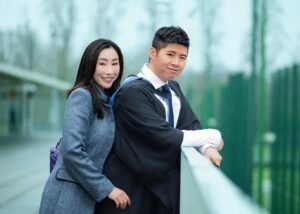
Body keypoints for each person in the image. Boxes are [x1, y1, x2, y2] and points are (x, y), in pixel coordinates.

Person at [95, 26, 224, 214]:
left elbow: (191, 126)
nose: (176, 62)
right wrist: (213, 135)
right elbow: (162, 135)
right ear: (152, 53)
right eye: (170, 54)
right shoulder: (131, 93)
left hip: (159, 195)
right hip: (129, 195)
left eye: (182, 57)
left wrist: (206, 147)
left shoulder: (173, 88)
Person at [39, 39, 131, 214]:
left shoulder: (107, 100)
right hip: (66, 198)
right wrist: (108, 188)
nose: (110, 71)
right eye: (102, 64)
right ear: (90, 66)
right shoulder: (82, 96)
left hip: (86, 198)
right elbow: (72, 150)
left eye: (115, 63)